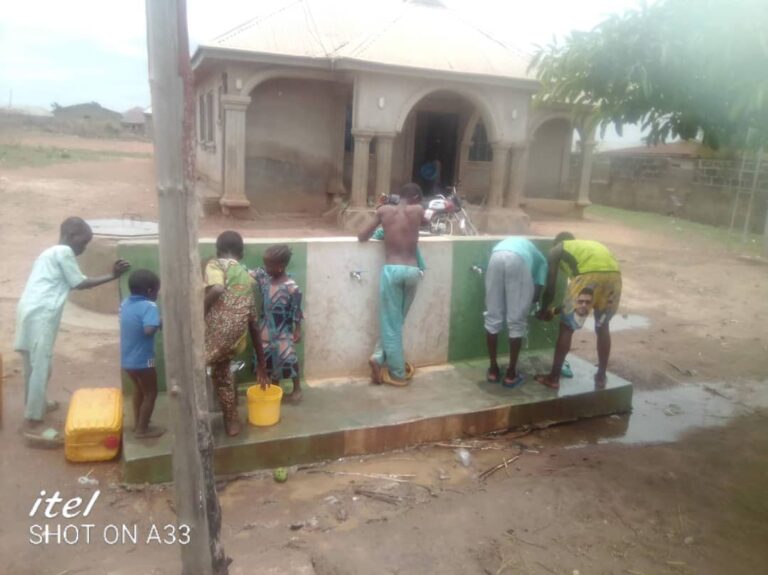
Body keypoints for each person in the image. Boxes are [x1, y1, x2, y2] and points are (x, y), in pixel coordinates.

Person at [15, 216, 130, 445]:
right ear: (70, 236)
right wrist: (112, 275)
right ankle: (33, 424)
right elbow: (80, 283)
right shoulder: (64, 253)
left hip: (28, 309)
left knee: (33, 363)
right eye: (83, 242)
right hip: (43, 313)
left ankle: (36, 404)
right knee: (41, 364)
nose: (84, 247)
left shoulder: (48, 253)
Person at [535, 232, 622, 390]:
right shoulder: (587, 247)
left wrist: (543, 309)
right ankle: (601, 376)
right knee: (603, 327)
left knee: (566, 328)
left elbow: (550, 287)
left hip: (588, 275)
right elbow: (573, 305)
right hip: (614, 277)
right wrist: (554, 311)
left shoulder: (557, 249)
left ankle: (553, 378)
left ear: (557, 243)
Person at [358, 182, 424, 386]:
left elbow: (362, 236)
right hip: (413, 271)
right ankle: (378, 357)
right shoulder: (418, 210)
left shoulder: (384, 211)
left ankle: (397, 374)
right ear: (415, 198)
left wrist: (380, 221)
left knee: (391, 324)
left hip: (392, 269)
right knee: (396, 322)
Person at [204, 231, 267, 436]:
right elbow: (254, 325)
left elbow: (217, 289)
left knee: (192, 372)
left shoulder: (216, 265)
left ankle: (193, 422)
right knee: (223, 376)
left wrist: (198, 312)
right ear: (242, 252)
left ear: (218, 250)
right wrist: (262, 364)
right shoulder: (247, 276)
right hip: (237, 337)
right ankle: (232, 422)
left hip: (215, 336)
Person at [484, 237, 548, 388]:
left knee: (492, 317)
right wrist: (537, 292)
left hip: (495, 257)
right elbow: (543, 269)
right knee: (516, 321)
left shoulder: (512, 243)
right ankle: (511, 375)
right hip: (518, 260)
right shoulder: (537, 255)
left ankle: (493, 370)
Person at [251, 244, 304, 403]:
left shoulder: (292, 288)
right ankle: (275, 386)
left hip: (283, 332)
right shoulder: (264, 279)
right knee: (266, 358)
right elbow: (251, 273)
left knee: (289, 358)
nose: (266, 268)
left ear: (280, 267)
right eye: (265, 264)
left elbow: (297, 311)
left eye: (269, 265)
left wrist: (298, 329)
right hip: (265, 328)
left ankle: (297, 388)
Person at [120, 269, 164, 438]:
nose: (157, 295)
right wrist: (159, 322)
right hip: (144, 360)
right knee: (151, 393)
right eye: (156, 291)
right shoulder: (150, 306)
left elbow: (133, 323)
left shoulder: (125, 303)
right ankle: (142, 430)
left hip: (127, 360)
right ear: (149, 291)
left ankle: (138, 422)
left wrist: (155, 321)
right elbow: (147, 330)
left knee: (138, 389)